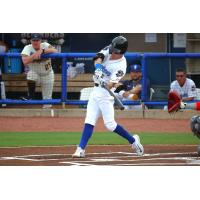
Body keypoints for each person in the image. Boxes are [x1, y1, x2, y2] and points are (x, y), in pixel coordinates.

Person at [72, 36, 144, 158]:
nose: (111, 51)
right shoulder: (109, 48)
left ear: (120, 52)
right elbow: (97, 58)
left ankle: (133, 141)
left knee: (110, 125)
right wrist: (99, 68)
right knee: (89, 120)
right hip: (95, 91)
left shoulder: (121, 66)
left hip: (105, 94)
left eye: (114, 50)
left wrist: (104, 82)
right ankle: (81, 149)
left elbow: (111, 84)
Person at [21, 33, 58, 108]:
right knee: (30, 74)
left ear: (40, 41)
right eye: (33, 40)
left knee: (47, 101)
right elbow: (24, 61)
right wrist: (34, 55)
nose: (35, 42)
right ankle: (31, 96)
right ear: (31, 41)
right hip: (35, 73)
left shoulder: (45, 45)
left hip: (47, 74)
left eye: (37, 40)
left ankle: (46, 116)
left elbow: (55, 51)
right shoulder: (27, 48)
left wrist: (43, 51)